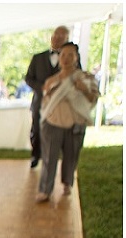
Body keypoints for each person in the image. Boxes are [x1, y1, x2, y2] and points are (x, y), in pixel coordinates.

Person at [35, 42, 99, 203]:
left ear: (76, 58)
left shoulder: (85, 77)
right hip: (52, 123)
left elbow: (93, 99)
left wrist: (82, 89)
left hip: (75, 124)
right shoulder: (51, 80)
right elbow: (45, 102)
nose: (66, 58)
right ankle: (45, 190)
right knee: (49, 158)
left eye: (70, 55)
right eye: (63, 55)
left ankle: (67, 183)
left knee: (71, 156)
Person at [25, 26, 71, 168]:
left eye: (61, 37)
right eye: (55, 36)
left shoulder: (71, 59)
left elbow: (75, 76)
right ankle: (35, 155)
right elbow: (28, 78)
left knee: (56, 132)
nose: (56, 39)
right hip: (40, 101)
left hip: (60, 104)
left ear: (66, 40)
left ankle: (53, 159)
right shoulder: (37, 58)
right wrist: (43, 88)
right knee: (37, 129)